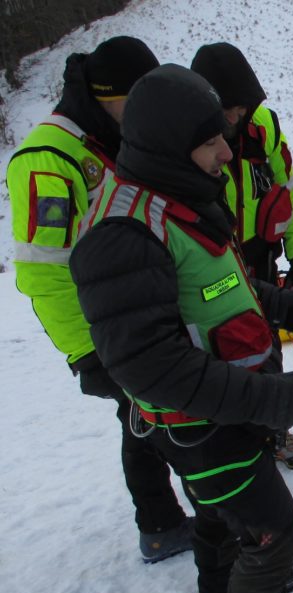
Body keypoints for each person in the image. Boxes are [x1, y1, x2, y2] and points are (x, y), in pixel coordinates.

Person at [69, 64, 293, 593]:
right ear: (171, 144)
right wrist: (272, 400)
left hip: (222, 411)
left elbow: (220, 289)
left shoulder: (173, 197)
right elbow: (154, 369)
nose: (226, 152)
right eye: (211, 141)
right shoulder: (124, 234)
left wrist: (290, 306)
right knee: (274, 534)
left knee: (221, 524)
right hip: (201, 426)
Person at [5, 36, 193, 563]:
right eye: (135, 100)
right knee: (166, 421)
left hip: (144, 314)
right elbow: (43, 271)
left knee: (144, 420)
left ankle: (159, 524)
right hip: (107, 332)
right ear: (105, 95)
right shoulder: (50, 157)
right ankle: (193, 524)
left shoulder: (113, 138)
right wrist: (87, 351)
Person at [191, 42, 293, 470]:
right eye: (228, 109)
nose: (235, 118)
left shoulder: (264, 126)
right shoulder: (185, 132)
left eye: (241, 108)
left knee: (266, 340)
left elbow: (288, 193)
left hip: (259, 252)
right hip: (211, 258)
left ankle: (276, 430)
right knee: (222, 347)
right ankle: (231, 439)